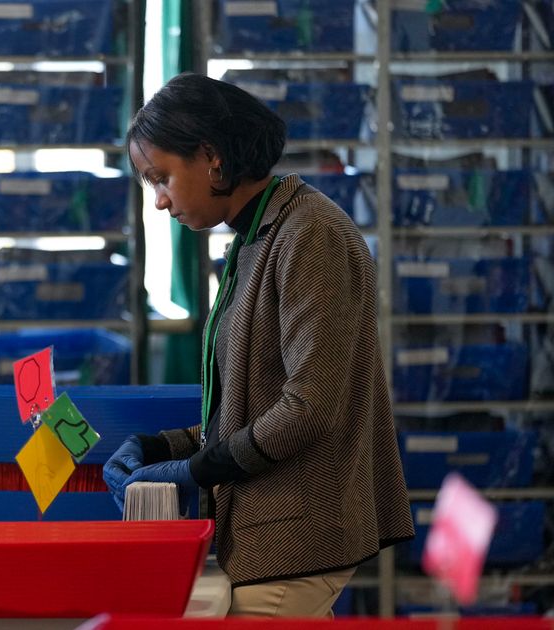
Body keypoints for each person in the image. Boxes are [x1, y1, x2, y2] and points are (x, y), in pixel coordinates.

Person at [103, 73, 414, 617]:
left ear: (211, 158)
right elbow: (255, 402)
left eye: (162, 178)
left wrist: (197, 471)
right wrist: (165, 448)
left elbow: (308, 407)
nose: (159, 202)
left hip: (296, 538)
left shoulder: (307, 232)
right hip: (271, 538)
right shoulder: (259, 237)